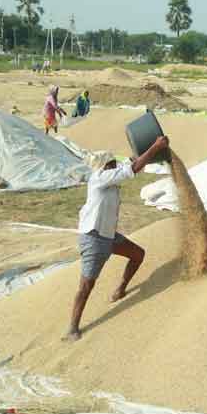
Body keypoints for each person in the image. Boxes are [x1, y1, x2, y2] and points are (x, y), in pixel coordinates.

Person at [65, 136, 170, 341]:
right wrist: (156, 146)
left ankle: (120, 289)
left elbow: (132, 163)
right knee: (86, 286)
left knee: (138, 254)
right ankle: (72, 329)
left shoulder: (109, 176)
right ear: (105, 166)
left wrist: (150, 150)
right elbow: (131, 169)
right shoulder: (100, 178)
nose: (115, 165)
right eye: (112, 163)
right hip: (94, 239)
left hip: (108, 236)